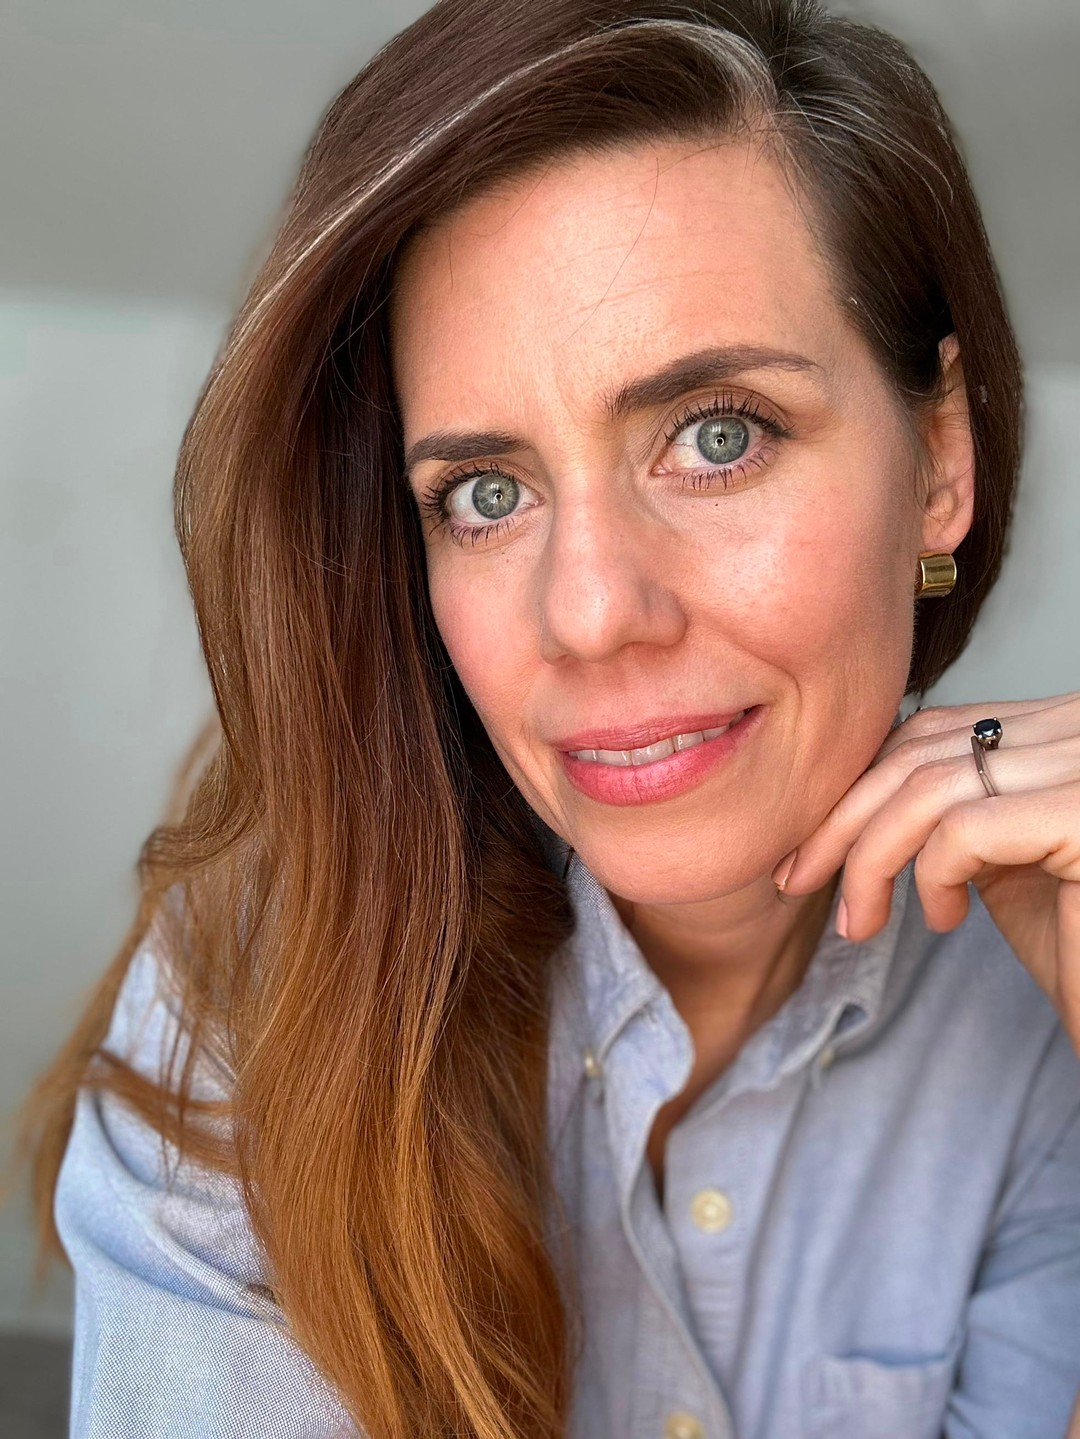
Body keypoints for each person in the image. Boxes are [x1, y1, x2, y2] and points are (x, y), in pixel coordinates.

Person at [8, 1, 1080, 1435]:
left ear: (940, 459)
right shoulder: (262, 987)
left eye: (717, 435)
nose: (587, 612)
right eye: (487, 494)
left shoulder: (1038, 990)